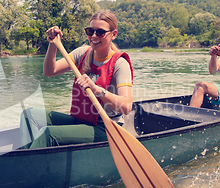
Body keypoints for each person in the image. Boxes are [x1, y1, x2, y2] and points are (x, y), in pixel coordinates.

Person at [20, 10, 134, 149]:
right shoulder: (82, 53)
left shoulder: (120, 64)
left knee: (48, 133)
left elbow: (127, 107)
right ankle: (29, 158)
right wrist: (52, 44)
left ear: (113, 34)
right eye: (90, 31)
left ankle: (29, 163)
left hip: (105, 128)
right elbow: (50, 71)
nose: (93, 36)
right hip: (80, 120)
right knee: (29, 115)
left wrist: (97, 90)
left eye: (100, 32)